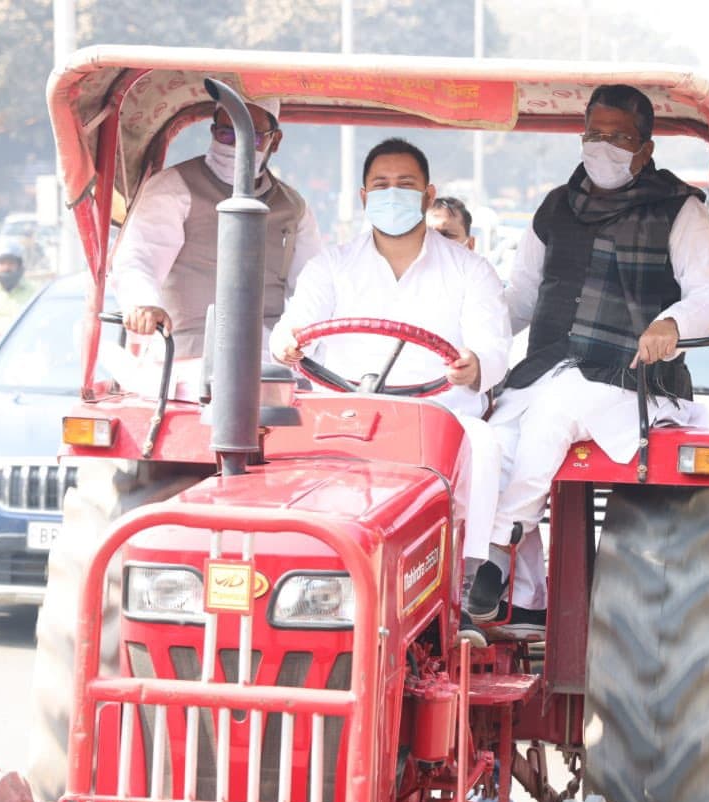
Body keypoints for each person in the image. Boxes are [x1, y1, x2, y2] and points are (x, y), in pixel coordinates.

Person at [471, 84, 709, 628]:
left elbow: (708, 296)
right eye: (595, 134)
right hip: (546, 368)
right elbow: (520, 299)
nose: (603, 146)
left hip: (632, 384)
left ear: (645, 149)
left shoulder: (679, 209)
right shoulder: (554, 206)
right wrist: (472, 344)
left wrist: (672, 323)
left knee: (558, 407)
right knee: (490, 440)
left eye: (619, 138)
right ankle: (526, 598)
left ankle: (494, 552)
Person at [269, 138, 510, 639]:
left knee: (484, 444)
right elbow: (294, 325)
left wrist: (474, 366)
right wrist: (285, 342)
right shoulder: (331, 266)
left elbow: (492, 348)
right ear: (364, 197)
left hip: (436, 419)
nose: (392, 194)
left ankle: (461, 585)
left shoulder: (470, 270)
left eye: (405, 184)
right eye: (381, 185)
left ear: (428, 194)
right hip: (343, 417)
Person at [111, 97, 322, 359]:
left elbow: (313, 287)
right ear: (212, 132)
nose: (236, 146)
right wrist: (143, 303)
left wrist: (295, 337)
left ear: (275, 141)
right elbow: (138, 259)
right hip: (184, 356)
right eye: (226, 134)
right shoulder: (174, 187)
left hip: (271, 360)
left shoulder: (293, 208)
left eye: (252, 138)